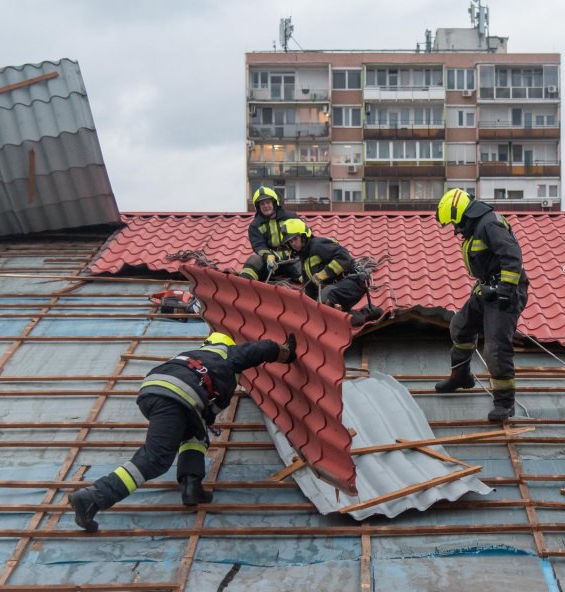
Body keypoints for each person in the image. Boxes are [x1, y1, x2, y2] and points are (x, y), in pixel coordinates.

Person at [68, 331, 297, 532]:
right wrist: (288, 354)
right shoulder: (229, 355)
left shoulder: (192, 356)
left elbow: (205, 415)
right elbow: (263, 349)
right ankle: (93, 497)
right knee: (157, 458)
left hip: (154, 392)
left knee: (195, 434)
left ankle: (192, 486)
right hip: (176, 398)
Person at [433, 189, 528, 421]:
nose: (456, 230)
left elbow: (512, 255)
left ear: (463, 215)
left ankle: (505, 403)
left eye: (455, 224)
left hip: (506, 291)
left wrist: (506, 289)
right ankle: (461, 375)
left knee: (495, 349)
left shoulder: (488, 225)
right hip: (487, 288)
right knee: (460, 326)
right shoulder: (476, 225)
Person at [279, 218, 383, 326]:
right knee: (341, 320)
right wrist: (309, 310)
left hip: (354, 282)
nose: (293, 244)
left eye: (295, 239)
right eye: (290, 242)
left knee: (326, 296)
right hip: (340, 287)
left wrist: (324, 274)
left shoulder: (317, 245)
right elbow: (309, 288)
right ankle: (366, 314)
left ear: (304, 236)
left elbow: (344, 258)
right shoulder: (304, 259)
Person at [238, 186, 302, 282]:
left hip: (293, 259)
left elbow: (304, 236)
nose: (265, 206)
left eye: (268, 202)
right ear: (258, 207)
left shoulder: (290, 217)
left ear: (274, 203)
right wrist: (268, 256)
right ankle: (242, 287)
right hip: (270, 263)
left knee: (305, 270)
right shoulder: (255, 225)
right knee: (253, 261)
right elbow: (259, 245)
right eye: (262, 204)